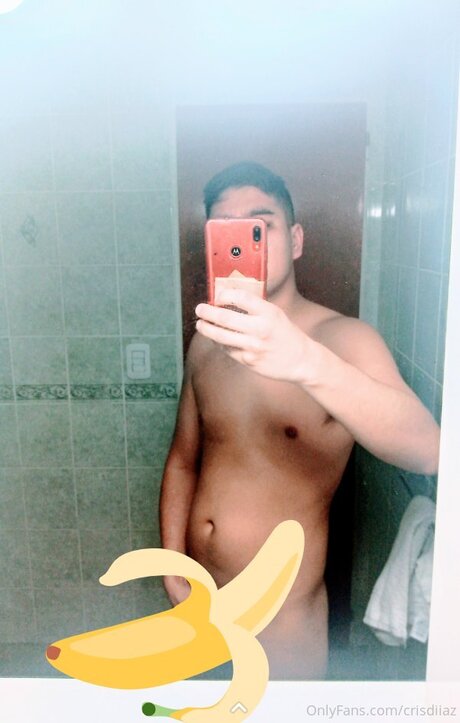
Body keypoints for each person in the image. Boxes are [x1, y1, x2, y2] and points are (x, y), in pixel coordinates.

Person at [159, 161, 440, 680]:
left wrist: (307, 362)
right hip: (199, 599)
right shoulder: (208, 342)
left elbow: (428, 449)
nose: (245, 241)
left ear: (295, 240)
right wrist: (173, 566)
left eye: (260, 225)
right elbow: (182, 461)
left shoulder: (343, 339)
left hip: (282, 621)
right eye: (226, 228)